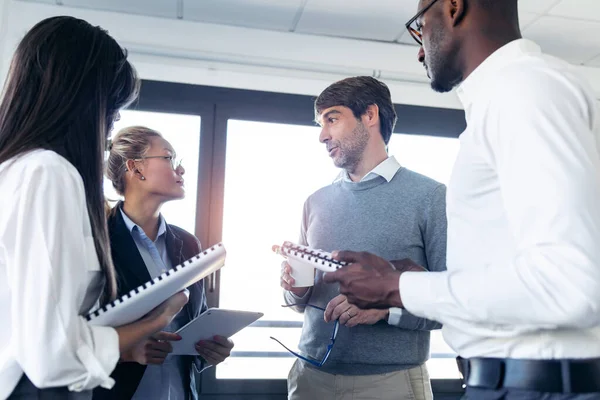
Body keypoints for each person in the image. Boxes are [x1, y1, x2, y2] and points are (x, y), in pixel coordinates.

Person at [324, 1, 600, 399]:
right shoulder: (508, 96)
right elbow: (519, 269)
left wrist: (398, 288)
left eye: (421, 26)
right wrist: (420, 282)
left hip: (535, 386)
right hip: (511, 382)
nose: (420, 49)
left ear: (453, 7)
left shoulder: (523, 90)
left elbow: (570, 283)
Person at [0, 16, 189, 399]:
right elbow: (52, 354)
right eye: (111, 109)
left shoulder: (16, 168)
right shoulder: (48, 171)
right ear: (83, 101)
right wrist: (161, 316)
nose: (110, 126)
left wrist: (124, 345)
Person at [279, 76, 447, 400]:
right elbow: (300, 302)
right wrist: (296, 292)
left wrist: (386, 310)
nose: (321, 135)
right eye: (320, 123)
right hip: (309, 379)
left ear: (370, 116)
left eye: (332, 119)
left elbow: (453, 299)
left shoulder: (431, 197)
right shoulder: (315, 201)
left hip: (390, 384)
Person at [93, 126, 234, 400]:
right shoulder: (98, 239)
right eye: (169, 158)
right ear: (136, 168)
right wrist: (125, 353)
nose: (180, 170)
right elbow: (74, 335)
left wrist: (209, 351)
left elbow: (193, 322)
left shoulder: (188, 243)